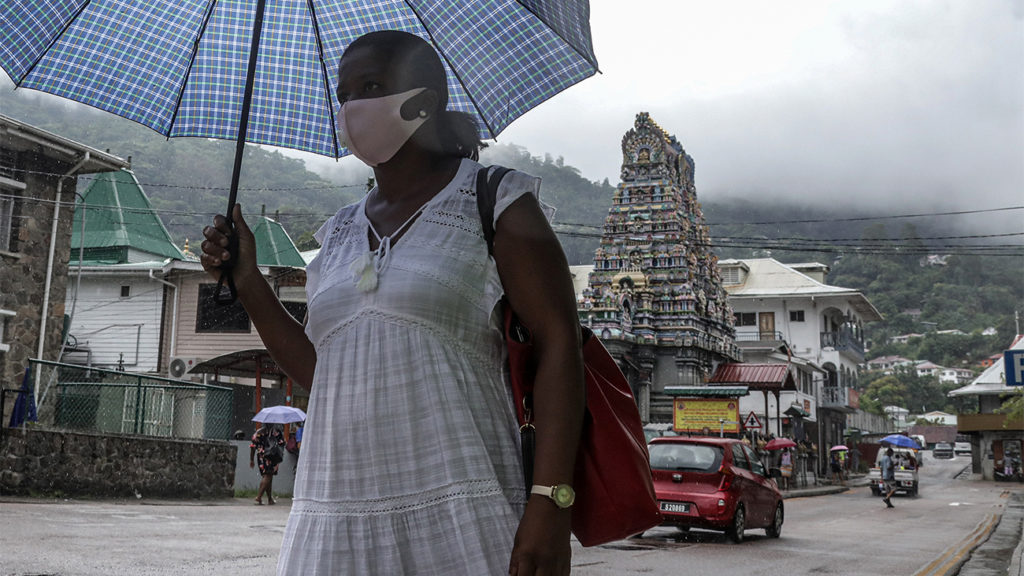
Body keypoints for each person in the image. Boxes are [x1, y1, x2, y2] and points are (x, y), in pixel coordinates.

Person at [201, 30, 585, 575]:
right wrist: (247, 280)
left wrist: (551, 502)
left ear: (425, 101)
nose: (353, 106)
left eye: (372, 86)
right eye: (345, 93)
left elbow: (559, 344)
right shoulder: (336, 234)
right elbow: (322, 368)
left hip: (465, 515)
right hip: (331, 522)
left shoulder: (497, 200)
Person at [250, 423, 285, 505]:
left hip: (261, 457)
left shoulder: (258, 433)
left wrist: (251, 459)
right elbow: (282, 445)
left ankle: (270, 499)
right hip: (272, 457)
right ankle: (259, 497)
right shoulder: (277, 432)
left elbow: (252, 447)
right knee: (268, 476)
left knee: (268, 476)